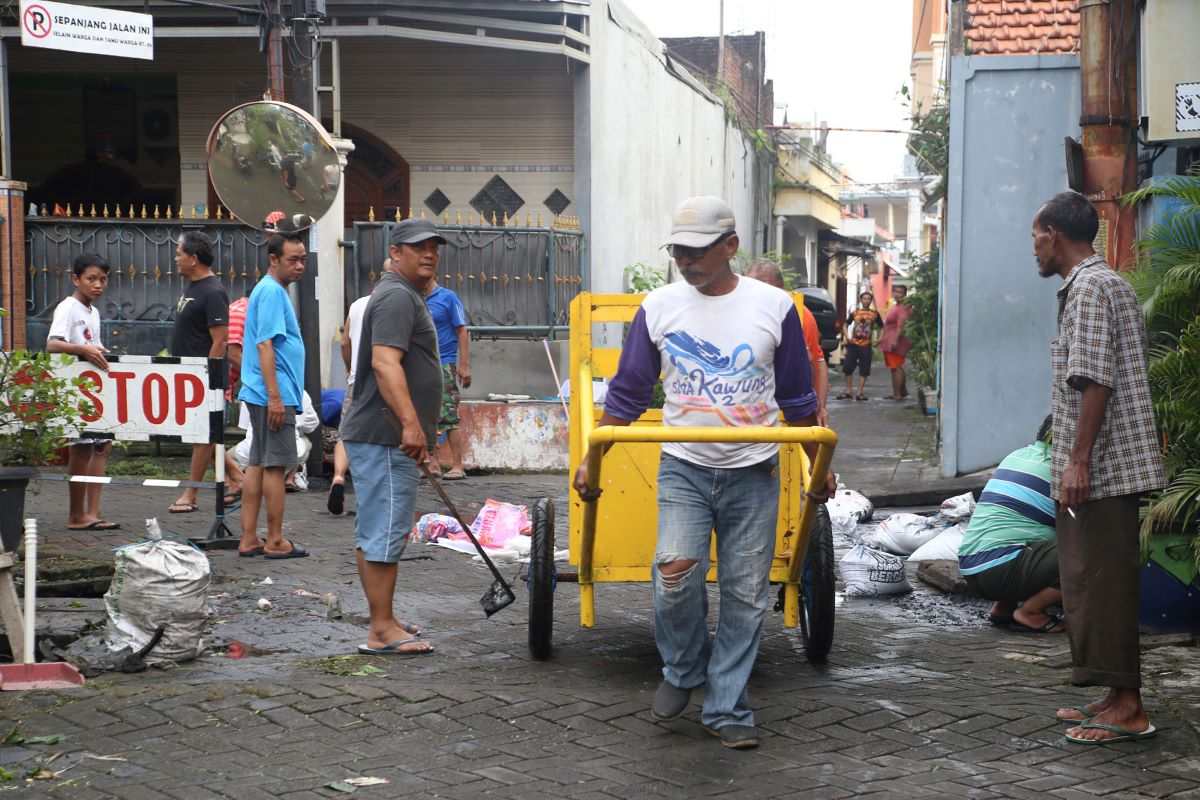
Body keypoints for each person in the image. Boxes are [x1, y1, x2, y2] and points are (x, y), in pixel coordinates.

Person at [573, 196, 835, 750]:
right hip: (684, 467)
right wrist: (591, 458)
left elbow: (796, 395)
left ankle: (727, 705)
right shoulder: (660, 306)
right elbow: (628, 389)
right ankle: (684, 670)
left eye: (696, 252)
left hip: (754, 469)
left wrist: (816, 459)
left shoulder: (774, 307)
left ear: (730, 247)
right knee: (673, 577)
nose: (686, 263)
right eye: (678, 252)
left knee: (744, 593)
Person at [1031, 191, 1165, 744]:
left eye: (1036, 237)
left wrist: (1078, 462)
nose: (1033, 248)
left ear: (1057, 236)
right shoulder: (1099, 284)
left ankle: (1129, 708)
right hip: (1105, 464)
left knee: (1101, 584)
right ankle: (1113, 694)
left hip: (1105, 466)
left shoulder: (1089, 288)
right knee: (1089, 580)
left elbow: (1095, 380)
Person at [339, 219, 445, 656]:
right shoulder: (398, 296)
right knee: (384, 531)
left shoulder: (399, 294)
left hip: (386, 434)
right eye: (418, 246)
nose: (429, 253)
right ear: (396, 251)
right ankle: (381, 630)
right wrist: (410, 424)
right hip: (385, 435)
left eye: (434, 247)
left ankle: (387, 619)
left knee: (383, 529)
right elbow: (384, 363)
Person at [236, 232, 310, 559]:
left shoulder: (271, 291)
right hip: (271, 394)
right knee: (275, 466)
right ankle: (276, 540)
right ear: (273, 259)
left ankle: (249, 538)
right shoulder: (270, 292)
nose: (299, 266)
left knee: (257, 463)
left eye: (303, 259)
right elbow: (265, 344)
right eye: (292, 260)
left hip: (264, 391)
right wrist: (276, 397)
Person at [958, 417, 1063, 633]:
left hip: (971, 568)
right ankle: (1030, 611)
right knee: (1088, 552)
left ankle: (1004, 606)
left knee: (1025, 534)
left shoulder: (1018, 454)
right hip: (1000, 571)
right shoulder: (1063, 471)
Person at [47, 253, 118, 531]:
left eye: (103, 279)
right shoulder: (69, 307)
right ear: (76, 279)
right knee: (81, 446)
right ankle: (76, 514)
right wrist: (83, 350)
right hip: (76, 389)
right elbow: (53, 344)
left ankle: (93, 512)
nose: (98, 285)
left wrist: (100, 352)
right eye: (91, 279)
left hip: (94, 390)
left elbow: (94, 346)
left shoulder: (93, 311)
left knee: (101, 445)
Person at [167, 231, 229, 514]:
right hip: (187, 376)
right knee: (205, 435)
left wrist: (208, 379)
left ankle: (191, 493)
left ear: (193, 258)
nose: (176, 258)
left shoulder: (213, 292)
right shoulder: (192, 286)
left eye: (179, 253)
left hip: (202, 378)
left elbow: (220, 340)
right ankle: (238, 479)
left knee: (202, 436)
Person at [745, 259, 829, 427]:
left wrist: (812, 408)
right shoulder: (798, 309)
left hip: (790, 415)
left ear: (769, 286)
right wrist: (821, 407)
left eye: (751, 288)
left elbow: (808, 360)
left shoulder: (786, 312)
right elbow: (820, 361)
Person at [327, 288, 372, 515]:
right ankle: (369, 492)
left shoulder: (357, 305)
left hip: (356, 381)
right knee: (375, 437)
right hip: (383, 381)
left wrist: (348, 368)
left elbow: (345, 343)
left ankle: (338, 476)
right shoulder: (398, 303)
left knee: (346, 432)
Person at [424, 277, 472, 479]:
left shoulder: (448, 298)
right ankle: (433, 464)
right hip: (421, 363)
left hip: (444, 362)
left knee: (449, 415)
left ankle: (457, 466)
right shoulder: (414, 297)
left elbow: (461, 331)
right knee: (425, 416)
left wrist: (464, 365)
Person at [838, 290, 882, 401]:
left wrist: (879, 340)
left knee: (864, 369)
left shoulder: (874, 314)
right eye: (864, 298)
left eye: (868, 299)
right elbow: (845, 324)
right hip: (853, 344)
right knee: (848, 367)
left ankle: (859, 392)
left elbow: (882, 327)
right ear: (861, 300)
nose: (866, 300)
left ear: (871, 301)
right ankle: (848, 391)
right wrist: (847, 337)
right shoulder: (855, 313)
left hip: (866, 345)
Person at [879, 284, 913, 401]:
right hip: (891, 340)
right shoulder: (897, 306)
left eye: (900, 292)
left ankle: (897, 393)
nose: (897, 294)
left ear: (905, 294)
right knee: (896, 366)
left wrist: (895, 340)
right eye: (896, 292)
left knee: (896, 367)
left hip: (896, 341)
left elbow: (901, 325)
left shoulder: (902, 307)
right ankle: (901, 391)